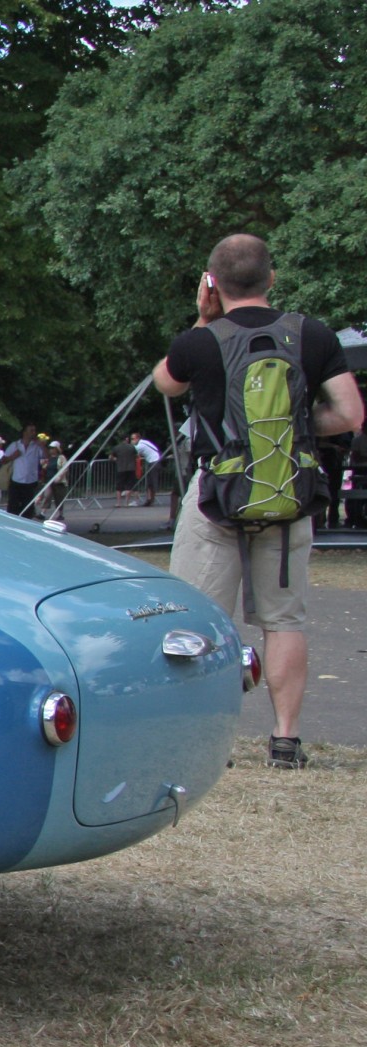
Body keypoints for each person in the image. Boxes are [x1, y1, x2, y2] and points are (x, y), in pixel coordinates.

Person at [152, 232, 364, 768]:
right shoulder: (312, 336)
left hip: (215, 497)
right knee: (284, 621)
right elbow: (349, 414)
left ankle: (209, 739)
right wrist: (297, 434)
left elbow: (165, 385)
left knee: (201, 618)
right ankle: (285, 740)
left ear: (213, 283)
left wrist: (202, 318)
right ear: (271, 278)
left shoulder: (197, 342)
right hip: (288, 495)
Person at [3, 429, 46, 517]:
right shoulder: (15, 445)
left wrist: (42, 446)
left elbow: (46, 456)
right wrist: (12, 456)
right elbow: (3, 460)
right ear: (24, 432)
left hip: (31, 481)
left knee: (28, 508)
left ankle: (26, 524)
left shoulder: (36, 446)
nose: (34, 432)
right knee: (13, 507)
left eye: (34, 430)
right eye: (31, 430)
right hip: (16, 480)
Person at [112, 433, 141, 506]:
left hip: (120, 468)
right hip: (131, 468)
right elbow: (137, 455)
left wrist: (116, 459)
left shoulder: (116, 448)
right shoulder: (132, 447)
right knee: (129, 486)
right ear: (126, 439)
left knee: (119, 487)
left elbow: (111, 456)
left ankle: (118, 503)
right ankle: (126, 503)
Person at [135, 433, 162, 506]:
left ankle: (150, 499)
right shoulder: (145, 442)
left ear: (137, 438)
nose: (132, 441)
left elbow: (134, 453)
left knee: (151, 481)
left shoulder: (139, 446)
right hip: (156, 460)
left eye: (133, 439)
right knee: (151, 481)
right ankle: (150, 499)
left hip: (153, 461)